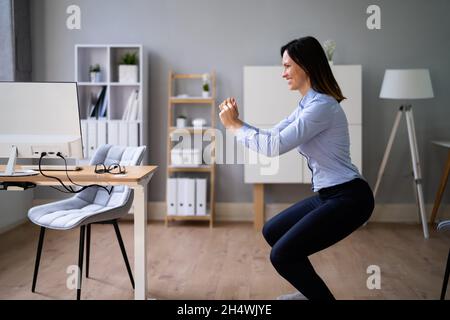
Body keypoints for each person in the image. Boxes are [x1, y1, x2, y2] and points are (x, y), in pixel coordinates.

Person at [218, 36, 374, 300]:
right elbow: (271, 136)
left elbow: (273, 148)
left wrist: (234, 126)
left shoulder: (322, 107)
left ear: (306, 65)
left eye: (288, 66)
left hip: (350, 198)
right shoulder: (307, 105)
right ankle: (308, 292)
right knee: (272, 231)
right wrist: (238, 122)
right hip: (330, 196)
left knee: (281, 255)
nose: (283, 73)